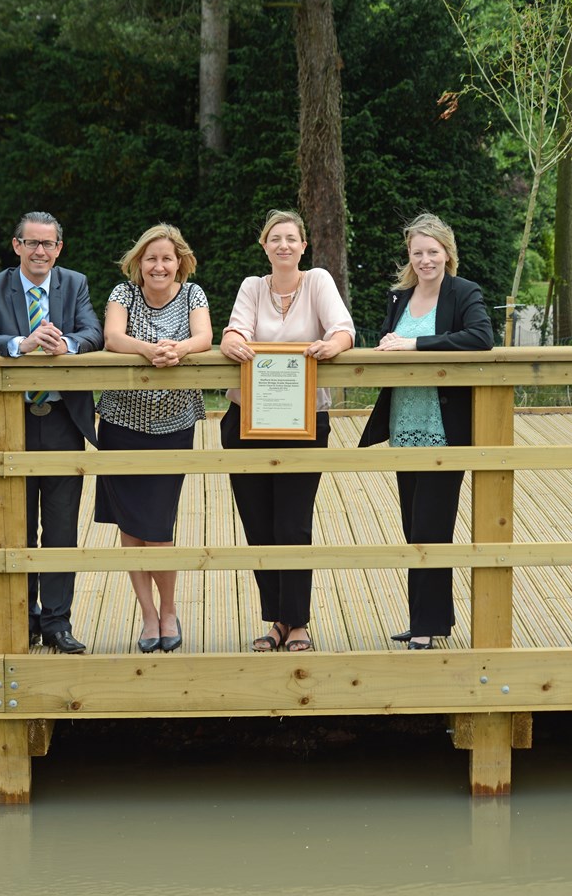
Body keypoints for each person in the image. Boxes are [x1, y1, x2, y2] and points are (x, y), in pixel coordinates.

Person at [0, 211, 104, 654]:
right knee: (15, 526)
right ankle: (23, 620)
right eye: (32, 243)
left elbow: (94, 332)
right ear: (16, 246)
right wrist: (18, 346)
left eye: (48, 244)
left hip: (62, 421)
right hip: (10, 425)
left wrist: (70, 347)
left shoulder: (73, 283)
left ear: (59, 248)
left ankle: (58, 623)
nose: (40, 251)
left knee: (61, 528)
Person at [220, 209, 355, 653]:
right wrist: (232, 341)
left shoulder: (317, 281)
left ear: (303, 245)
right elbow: (234, 331)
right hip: (247, 422)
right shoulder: (252, 287)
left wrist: (330, 346)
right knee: (258, 524)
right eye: (275, 238)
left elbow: (342, 330)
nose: (283, 245)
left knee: (292, 523)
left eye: (291, 238)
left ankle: (298, 622)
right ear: (264, 245)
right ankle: (276, 619)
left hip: (301, 424)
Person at [358, 213, 494, 649]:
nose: (424, 259)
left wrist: (415, 344)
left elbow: (480, 337)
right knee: (413, 528)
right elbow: (387, 339)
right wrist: (387, 345)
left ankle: (427, 625)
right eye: (417, 253)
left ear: (446, 253)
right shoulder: (400, 297)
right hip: (404, 425)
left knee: (432, 529)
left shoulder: (463, 292)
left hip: (444, 429)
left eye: (432, 251)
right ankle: (427, 620)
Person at [95, 224, 212, 654]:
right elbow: (112, 337)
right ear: (138, 263)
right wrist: (148, 350)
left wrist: (179, 350)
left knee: (159, 528)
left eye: (166, 258)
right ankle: (146, 614)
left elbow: (204, 336)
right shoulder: (123, 294)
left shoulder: (192, 294)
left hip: (174, 424)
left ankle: (168, 608)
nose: (159, 266)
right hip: (122, 424)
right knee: (130, 527)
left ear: (178, 261)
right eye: (151, 258)